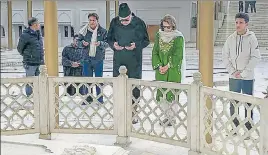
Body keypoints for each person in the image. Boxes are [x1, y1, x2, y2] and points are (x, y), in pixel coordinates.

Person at [107, 3, 150, 124]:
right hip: (119, 60)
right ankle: (119, 114)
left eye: (126, 20)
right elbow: (109, 38)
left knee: (134, 88)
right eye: (122, 20)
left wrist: (136, 45)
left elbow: (146, 41)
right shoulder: (114, 22)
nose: (124, 22)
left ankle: (133, 114)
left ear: (131, 16)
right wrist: (113, 45)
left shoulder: (139, 23)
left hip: (134, 61)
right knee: (119, 87)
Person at [222, 13, 261, 132]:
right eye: (236, 22)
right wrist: (232, 71)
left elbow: (256, 57)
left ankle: (249, 126)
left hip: (247, 77)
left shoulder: (252, 38)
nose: (238, 25)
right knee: (233, 102)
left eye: (241, 22)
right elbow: (225, 56)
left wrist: (244, 73)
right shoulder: (230, 38)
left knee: (248, 102)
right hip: (233, 77)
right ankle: (234, 125)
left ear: (246, 24)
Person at [152, 14, 186, 127]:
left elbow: (178, 54)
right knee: (162, 94)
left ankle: (172, 117)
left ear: (173, 26)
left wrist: (168, 65)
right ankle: (165, 116)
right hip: (161, 70)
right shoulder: (158, 35)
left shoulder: (178, 37)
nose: (166, 29)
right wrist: (158, 66)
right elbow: (155, 51)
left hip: (173, 70)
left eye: (169, 27)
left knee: (172, 93)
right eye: (164, 26)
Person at [78, 13, 109, 105]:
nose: (91, 22)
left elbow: (107, 43)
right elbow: (78, 41)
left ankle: (100, 99)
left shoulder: (103, 31)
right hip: (86, 59)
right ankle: (88, 98)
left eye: (93, 20)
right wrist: (82, 43)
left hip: (98, 59)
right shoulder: (83, 31)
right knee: (87, 80)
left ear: (97, 21)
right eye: (90, 20)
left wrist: (100, 43)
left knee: (99, 80)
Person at [17, 17, 44, 97]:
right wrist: (28, 56)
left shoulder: (38, 34)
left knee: (38, 81)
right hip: (30, 63)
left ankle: (37, 96)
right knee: (30, 81)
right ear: (34, 25)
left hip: (39, 62)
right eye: (38, 23)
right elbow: (20, 48)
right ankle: (29, 97)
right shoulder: (25, 35)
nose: (39, 25)